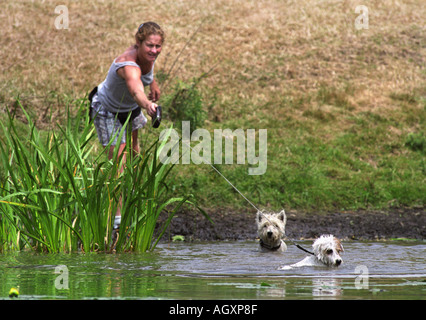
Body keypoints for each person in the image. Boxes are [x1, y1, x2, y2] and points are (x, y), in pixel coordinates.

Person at [90, 22, 165, 230]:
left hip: (129, 109)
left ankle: (132, 201)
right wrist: (148, 104)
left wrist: (154, 84)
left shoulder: (148, 57)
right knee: (119, 163)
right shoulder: (127, 65)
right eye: (150, 46)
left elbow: (148, 72)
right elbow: (135, 90)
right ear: (138, 43)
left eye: (158, 47)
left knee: (134, 156)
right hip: (108, 111)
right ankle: (117, 221)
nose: (154, 51)